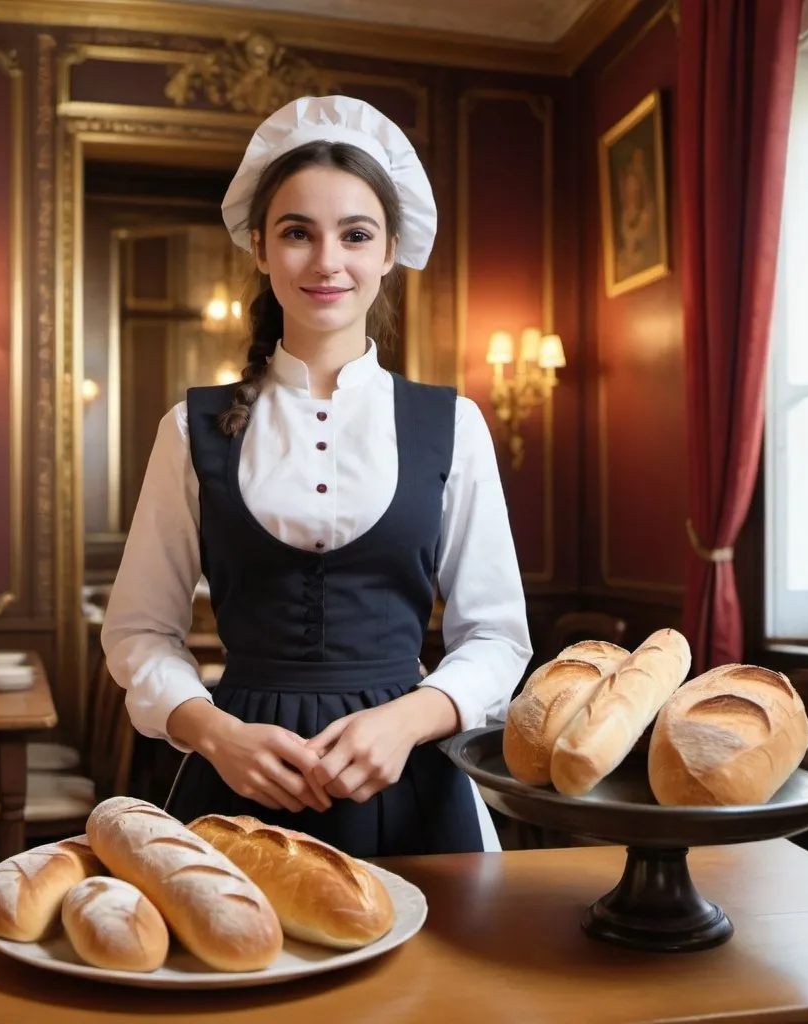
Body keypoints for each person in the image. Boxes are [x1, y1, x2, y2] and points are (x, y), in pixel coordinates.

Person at [101, 95, 531, 858]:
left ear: (390, 251)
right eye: (298, 233)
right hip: (238, 784)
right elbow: (138, 632)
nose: (328, 261)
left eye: (355, 235)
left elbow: (497, 635)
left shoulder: (453, 424)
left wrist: (412, 717)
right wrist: (215, 734)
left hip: (415, 784)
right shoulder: (188, 429)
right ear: (262, 250)